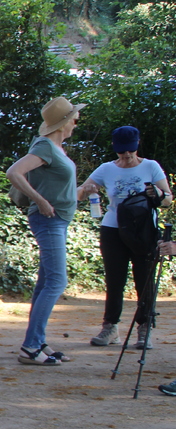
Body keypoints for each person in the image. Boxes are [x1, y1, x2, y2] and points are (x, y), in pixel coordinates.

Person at [6, 97, 88, 367]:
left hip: (58, 220)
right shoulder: (44, 146)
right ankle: (30, 346)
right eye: (74, 119)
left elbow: (61, 189)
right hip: (49, 221)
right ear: (64, 123)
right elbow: (14, 172)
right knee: (56, 281)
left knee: (46, 282)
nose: (76, 123)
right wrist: (39, 200)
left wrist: (81, 193)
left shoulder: (56, 148)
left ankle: (37, 341)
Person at [82, 125, 172, 348]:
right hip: (113, 228)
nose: (127, 155)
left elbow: (168, 199)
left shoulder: (151, 166)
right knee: (115, 279)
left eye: (130, 150)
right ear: (115, 148)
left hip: (143, 230)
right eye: (122, 151)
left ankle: (144, 327)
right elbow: (80, 192)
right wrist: (87, 189)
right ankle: (110, 327)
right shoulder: (106, 169)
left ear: (137, 145)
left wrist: (158, 194)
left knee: (144, 278)